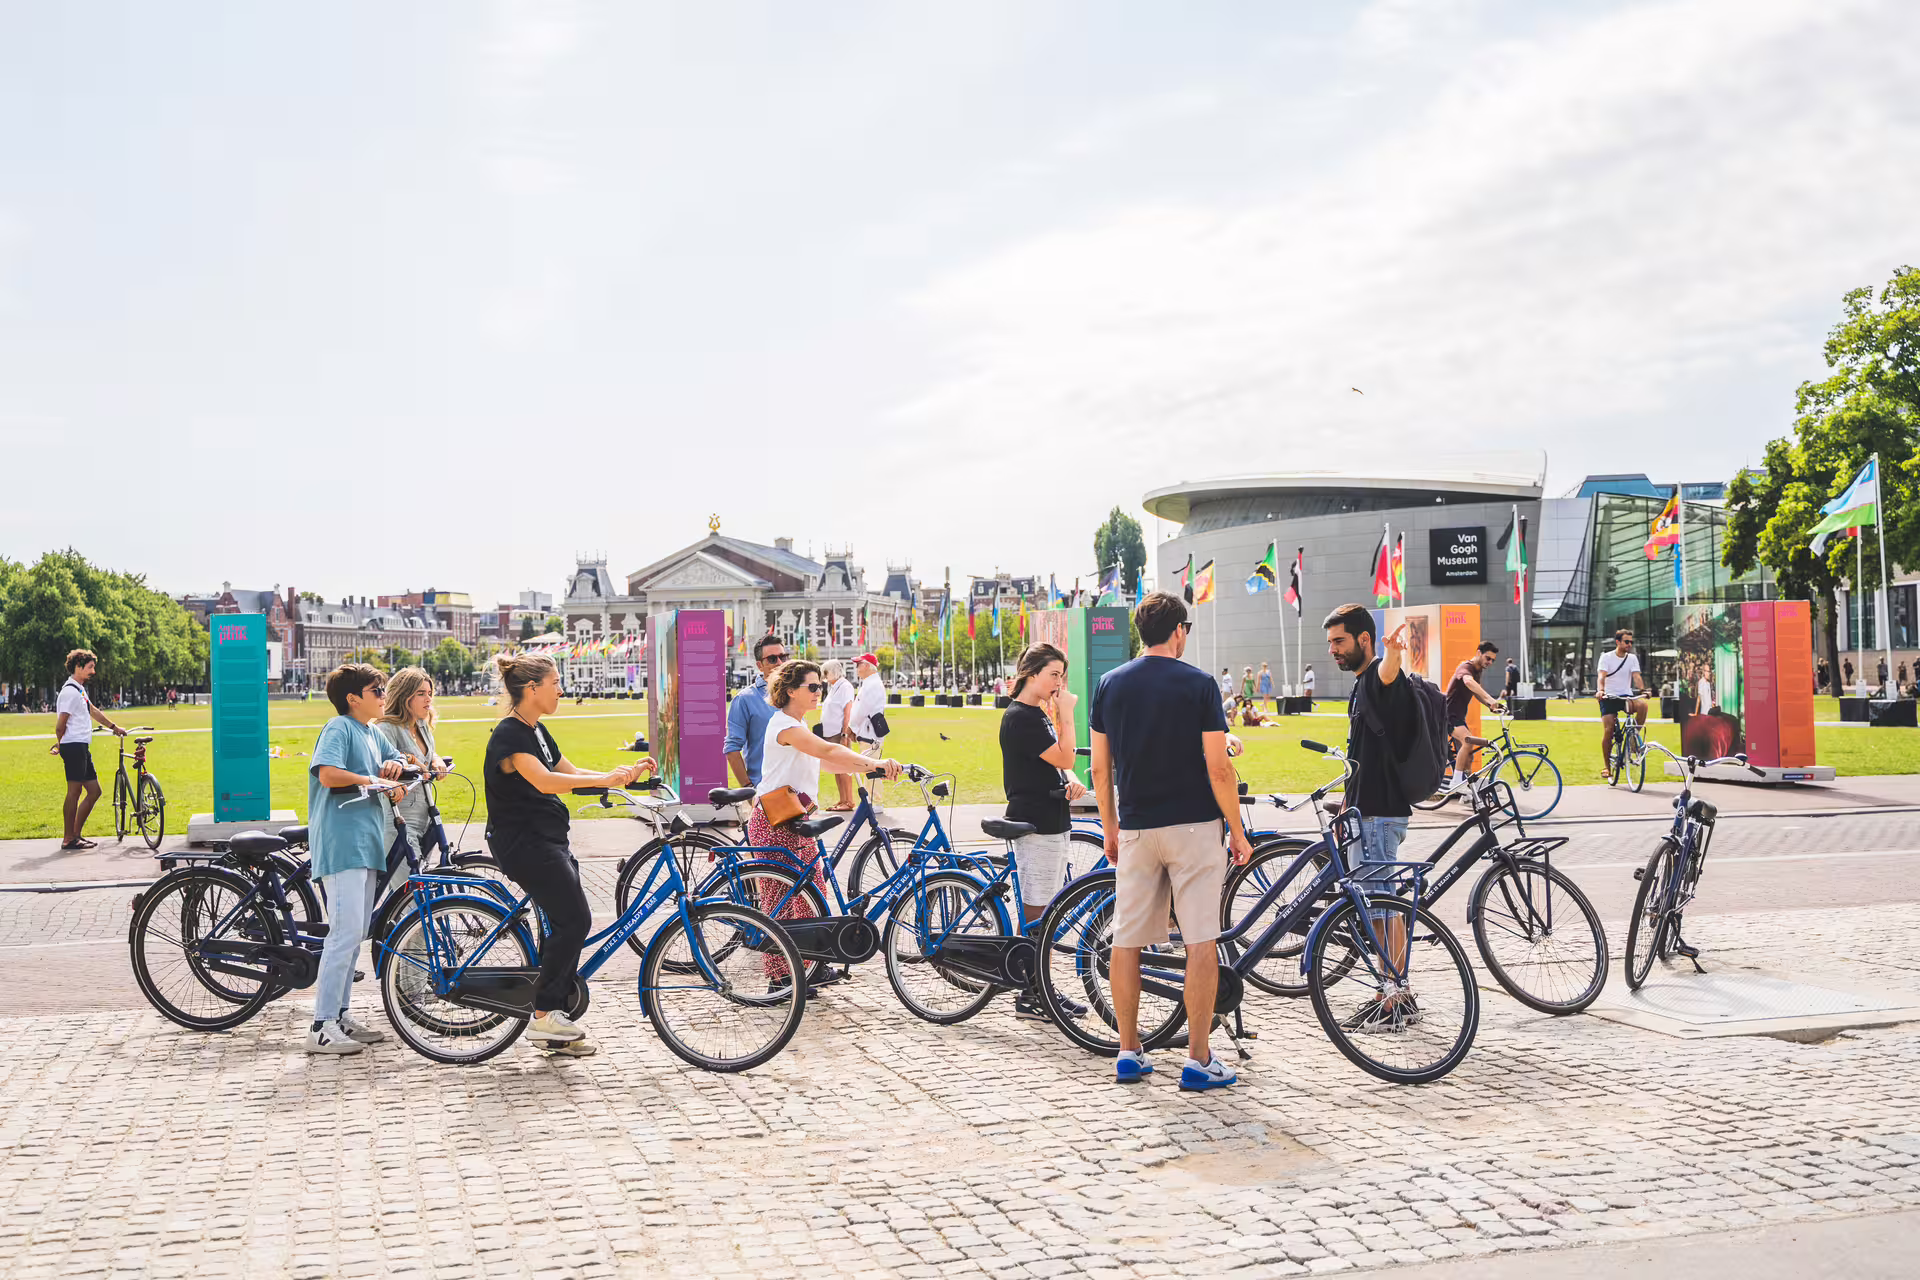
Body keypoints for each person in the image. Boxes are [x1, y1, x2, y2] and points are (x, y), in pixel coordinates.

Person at [1091, 592, 1252, 1091]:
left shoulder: (1109, 684)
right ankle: (1199, 1058)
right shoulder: (1199, 684)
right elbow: (1219, 766)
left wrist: (1109, 826)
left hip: (1138, 826)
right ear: (1178, 630)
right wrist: (1239, 831)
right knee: (1200, 939)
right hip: (1194, 825)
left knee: (1127, 939)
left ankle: (1128, 1050)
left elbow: (1100, 767)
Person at [485, 653, 652, 1057]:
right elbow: (544, 781)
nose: (561, 689)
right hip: (525, 842)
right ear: (532, 688)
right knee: (574, 919)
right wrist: (606, 779)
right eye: (555, 682)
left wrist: (617, 777)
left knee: (562, 923)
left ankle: (553, 1015)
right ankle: (544, 1013)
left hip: (547, 839)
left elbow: (570, 772)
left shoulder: (537, 731)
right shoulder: (510, 735)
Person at [753, 659, 903, 990]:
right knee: (782, 902)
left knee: (811, 897)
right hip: (776, 819)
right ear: (791, 690)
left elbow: (823, 760)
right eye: (813, 687)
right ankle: (780, 979)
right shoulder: (785, 726)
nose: (819, 692)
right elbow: (825, 749)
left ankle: (812, 966)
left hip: (796, 816)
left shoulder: (798, 725)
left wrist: (865, 768)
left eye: (821, 686)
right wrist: (874, 761)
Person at [305, 663, 414, 1054]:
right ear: (353, 698)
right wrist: (372, 779)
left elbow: (396, 764)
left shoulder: (370, 732)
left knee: (354, 936)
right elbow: (328, 774)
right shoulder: (340, 728)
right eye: (377, 690)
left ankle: (340, 1015)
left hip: (365, 844)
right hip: (341, 842)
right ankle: (321, 1025)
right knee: (344, 934)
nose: (384, 695)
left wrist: (396, 770)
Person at [1323, 604, 1419, 1028]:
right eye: (1330, 643)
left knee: (1380, 910)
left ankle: (1395, 999)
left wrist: (1394, 652)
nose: (1333, 650)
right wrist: (1347, 801)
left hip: (1380, 814)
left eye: (1339, 641)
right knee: (1382, 909)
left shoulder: (1380, 678)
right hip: (1368, 811)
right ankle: (1395, 993)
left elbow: (1389, 674)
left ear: (1364, 640)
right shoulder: (1363, 685)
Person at [998, 643, 1092, 1019]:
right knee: (1039, 913)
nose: (1059, 683)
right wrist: (1067, 713)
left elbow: (1055, 763)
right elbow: (1066, 754)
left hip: (1050, 817)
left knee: (1047, 912)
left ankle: (1041, 988)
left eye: (1061, 676)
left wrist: (1067, 779)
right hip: (1035, 822)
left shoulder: (1035, 714)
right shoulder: (1021, 716)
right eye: (1054, 674)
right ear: (1032, 673)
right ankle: (1031, 994)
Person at [51, 649, 126, 851]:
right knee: (74, 792)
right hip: (74, 746)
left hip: (80, 746)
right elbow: (60, 725)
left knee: (94, 791)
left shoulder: (79, 690)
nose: (93, 671)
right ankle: (68, 838)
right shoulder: (69, 692)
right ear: (78, 666)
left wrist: (114, 727)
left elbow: (93, 711)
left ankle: (75, 835)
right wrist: (60, 743)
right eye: (90, 667)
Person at [372, 667, 451, 859]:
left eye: (430, 693)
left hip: (426, 816)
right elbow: (385, 765)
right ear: (404, 696)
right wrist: (414, 762)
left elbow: (426, 754)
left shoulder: (421, 724)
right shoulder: (386, 728)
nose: (428, 699)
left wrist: (435, 758)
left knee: (422, 881)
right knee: (408, 885)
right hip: (399, 818)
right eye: (421, 693)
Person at [724, 635, 789, 787]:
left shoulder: (796, 693)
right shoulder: (745, 699)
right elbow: (732, 749)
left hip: (799, 789)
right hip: (766, 789)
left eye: (783, 657)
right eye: (772, 659)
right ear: (760, 665)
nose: (780, 663)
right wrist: (749, 790)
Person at [1441, 641, 1502, 791]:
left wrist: (1489, 705)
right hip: (1449, 715)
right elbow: (1468, 682)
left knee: (1469, 756)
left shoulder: (1477, 670)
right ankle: (1456, 784)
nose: (1490, 662)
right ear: (1478, 653)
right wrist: (1491, 698)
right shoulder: (1466, 667)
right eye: (1488, 658)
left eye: (1493, 660)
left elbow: (1476, 691)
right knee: (1468, 742)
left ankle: (1468, 792)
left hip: (1458, 717)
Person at [1597, 630, 1648, 779]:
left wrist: (1643, 690)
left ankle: (1633, 739)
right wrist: (1601, 691)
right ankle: (1607, 768)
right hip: (1608, 696)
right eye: (1626, 642)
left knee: (1643, 706)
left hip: (1625, 696)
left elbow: (1636, 676)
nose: (1629, 644)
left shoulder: (1632, 658)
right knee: (1608, 730)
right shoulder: (1606, 658)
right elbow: (1601, 676)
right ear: (1617, 642)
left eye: (1631, 642)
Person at [848, 652, 889, 809]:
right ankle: (872, 802)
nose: (857, 668)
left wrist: (851, 727)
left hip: (869, 733)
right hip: (868, 732)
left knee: (871, 768)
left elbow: (861, 710)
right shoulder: (870, 683)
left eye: (859, 665)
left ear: (866, 665)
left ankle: (875, 802)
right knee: (869, 767)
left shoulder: (871, 684)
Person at [818, 658, 858, 811]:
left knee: (844, 768)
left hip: (838, 734)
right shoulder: (833, 687)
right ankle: (842, 800)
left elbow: (848, 711)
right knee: (836, 768)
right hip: (829, 734)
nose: (824, 676)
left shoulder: (845, 686)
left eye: (826, 673)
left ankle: (848, 801)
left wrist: (844, 734)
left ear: (833, 672)